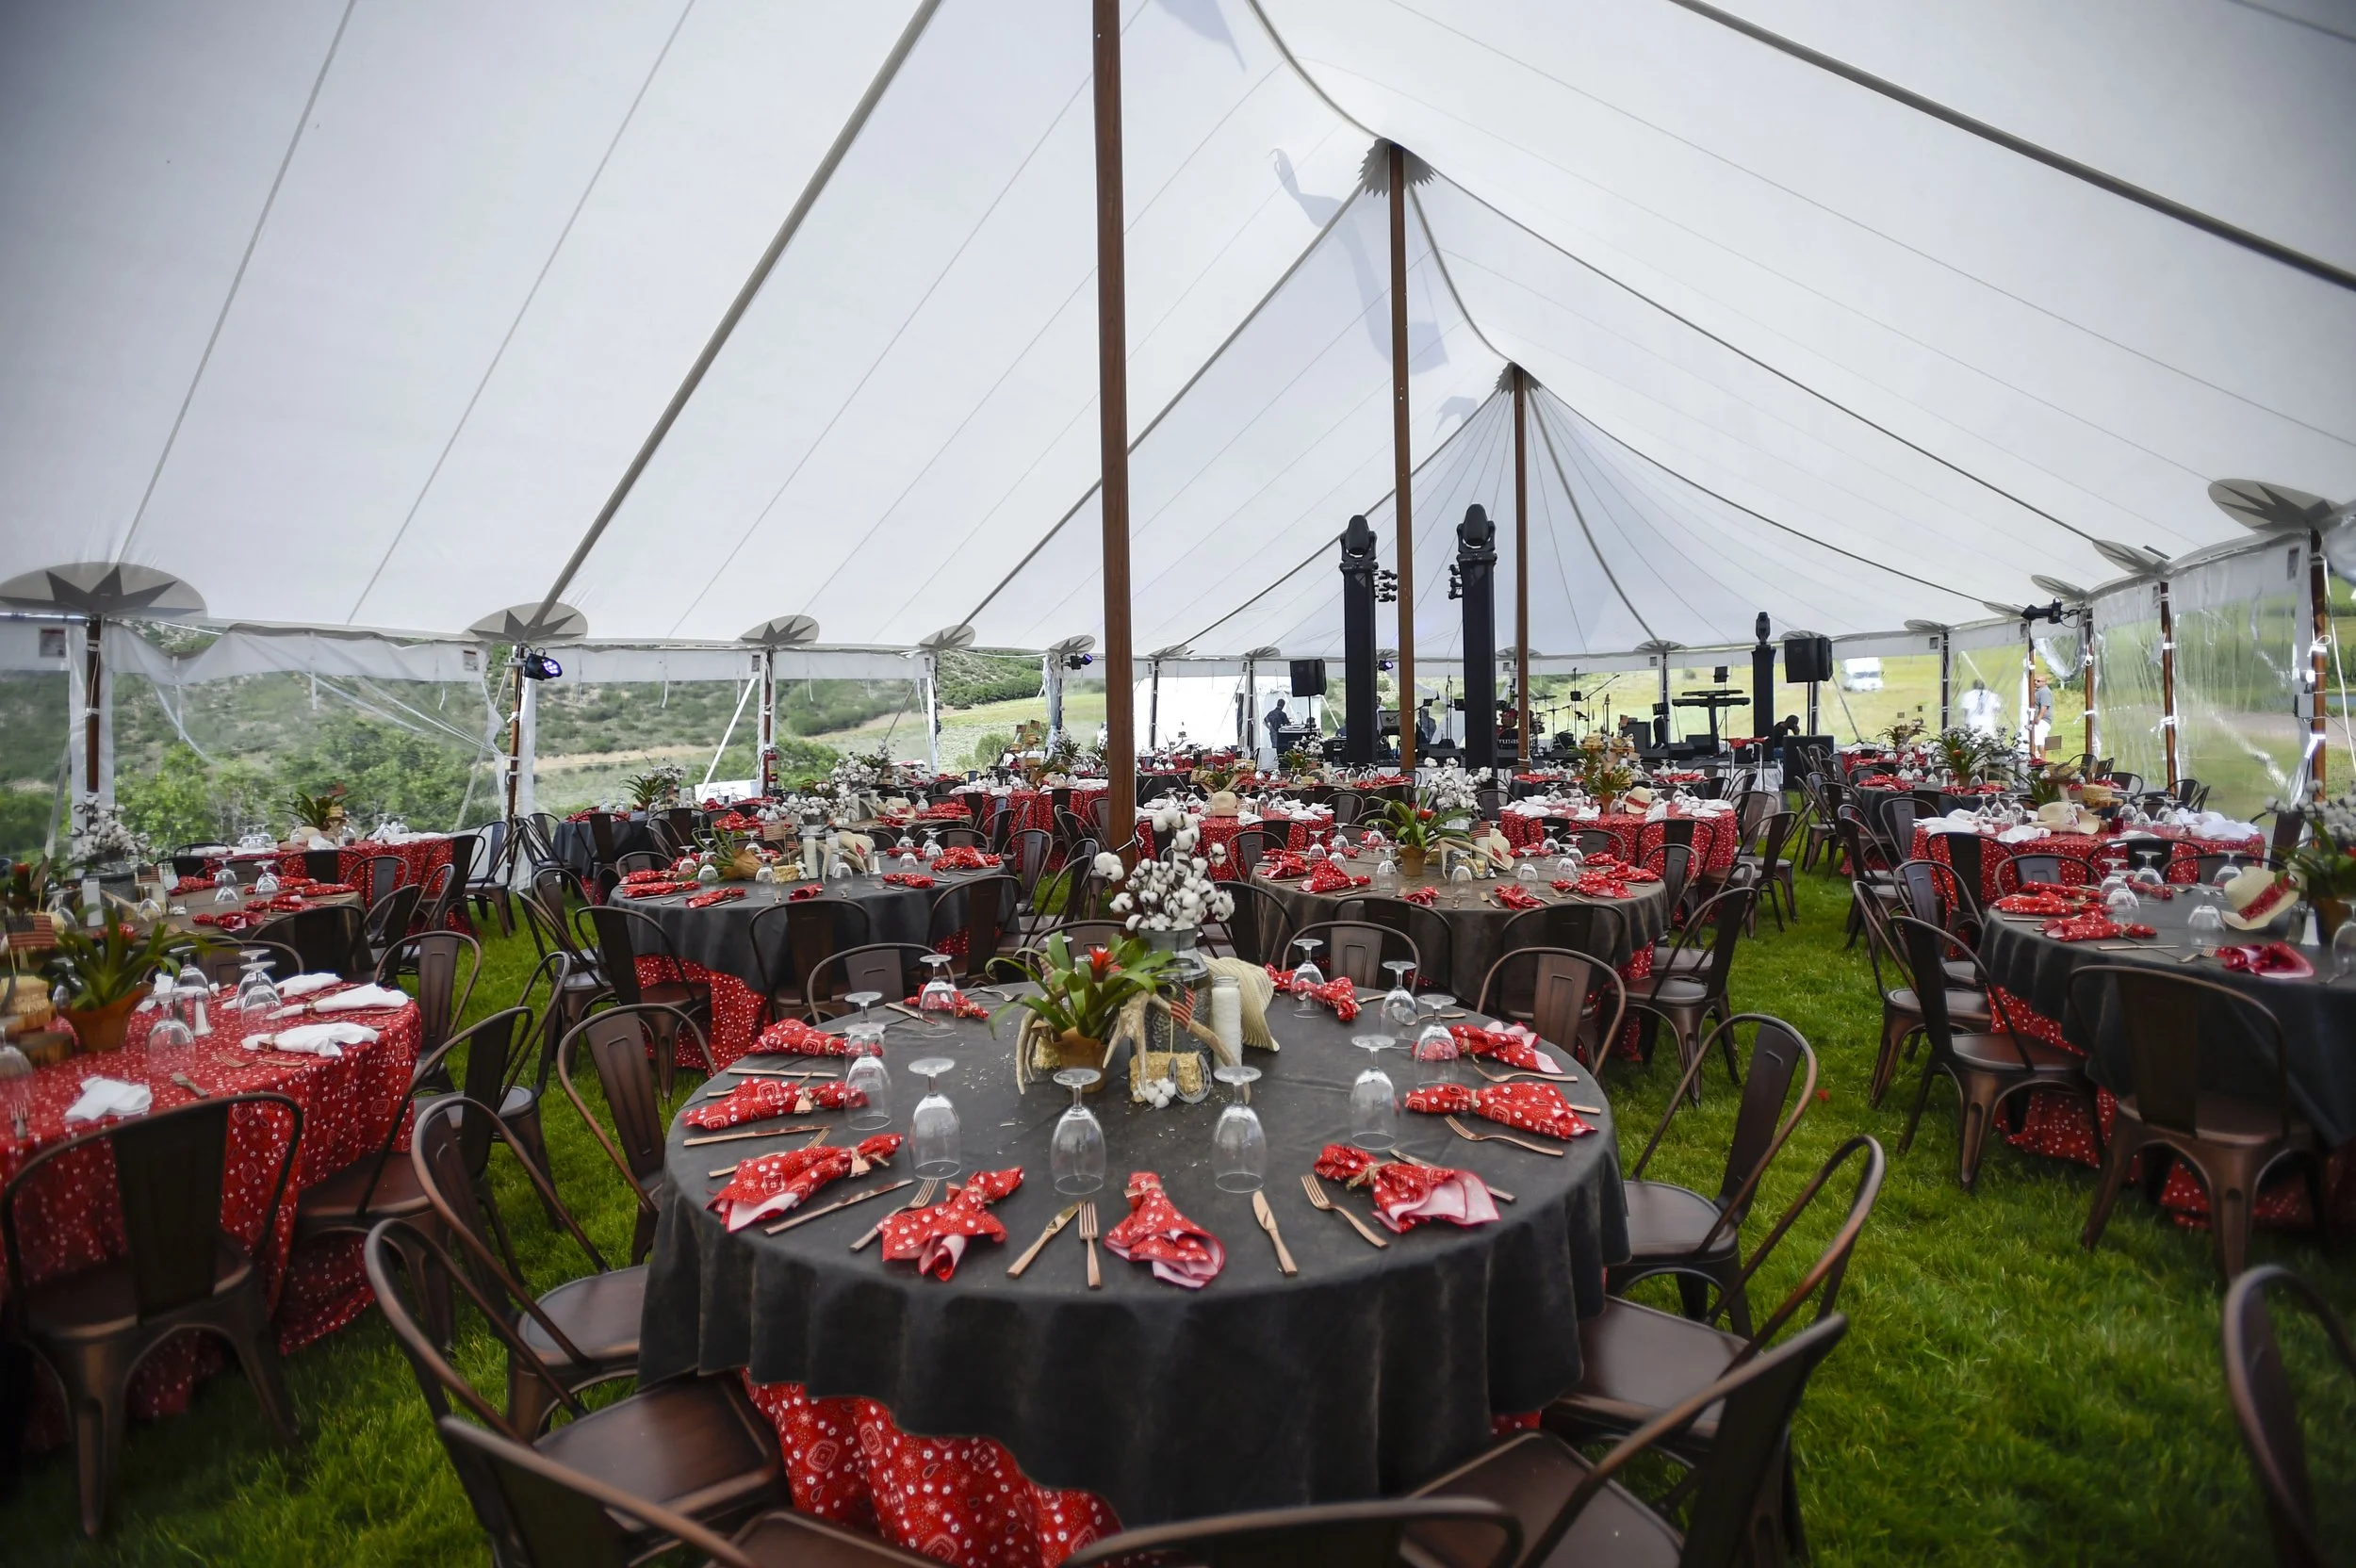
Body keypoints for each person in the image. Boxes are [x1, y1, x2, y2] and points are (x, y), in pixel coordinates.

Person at [2027, 673, 2054, 763]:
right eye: (2035, 680)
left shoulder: (2044, 692)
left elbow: (2044, 706)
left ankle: (2042, 760)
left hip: (2042, 720)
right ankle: (2036, 759)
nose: (2035, 682)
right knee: (2036, 739)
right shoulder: (2037, 691)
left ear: (2045, 682)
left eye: (2038, 681)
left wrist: (2039, 718)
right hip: (2037, 720)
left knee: (2040, 740)